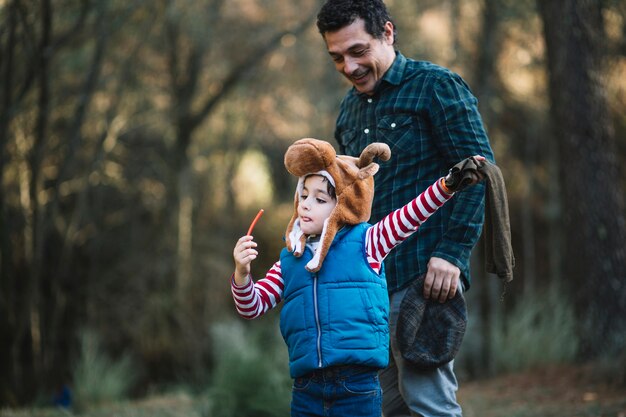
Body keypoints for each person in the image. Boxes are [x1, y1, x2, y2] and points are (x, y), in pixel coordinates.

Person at [315, 1, 496, 416]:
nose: (349, 66)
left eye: (358, 51)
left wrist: (452, 253)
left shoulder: (437, 86)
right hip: (370, 287)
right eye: (337, 57)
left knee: (429, 404)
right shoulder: (348, 109)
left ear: (388, 33)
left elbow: (478, 172)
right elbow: (351, 203)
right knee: (381, 407)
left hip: (425, 280)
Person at [231, 137, 484, 417]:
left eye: (319, 198)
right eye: (303, 195)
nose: (305, 205)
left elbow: (411, 215)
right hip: (306, 388)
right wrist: (242, 274)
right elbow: (251, 307)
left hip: (357, 385)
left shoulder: (368, 242)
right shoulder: (289, 259)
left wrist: (448, 185)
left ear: (343, 204)